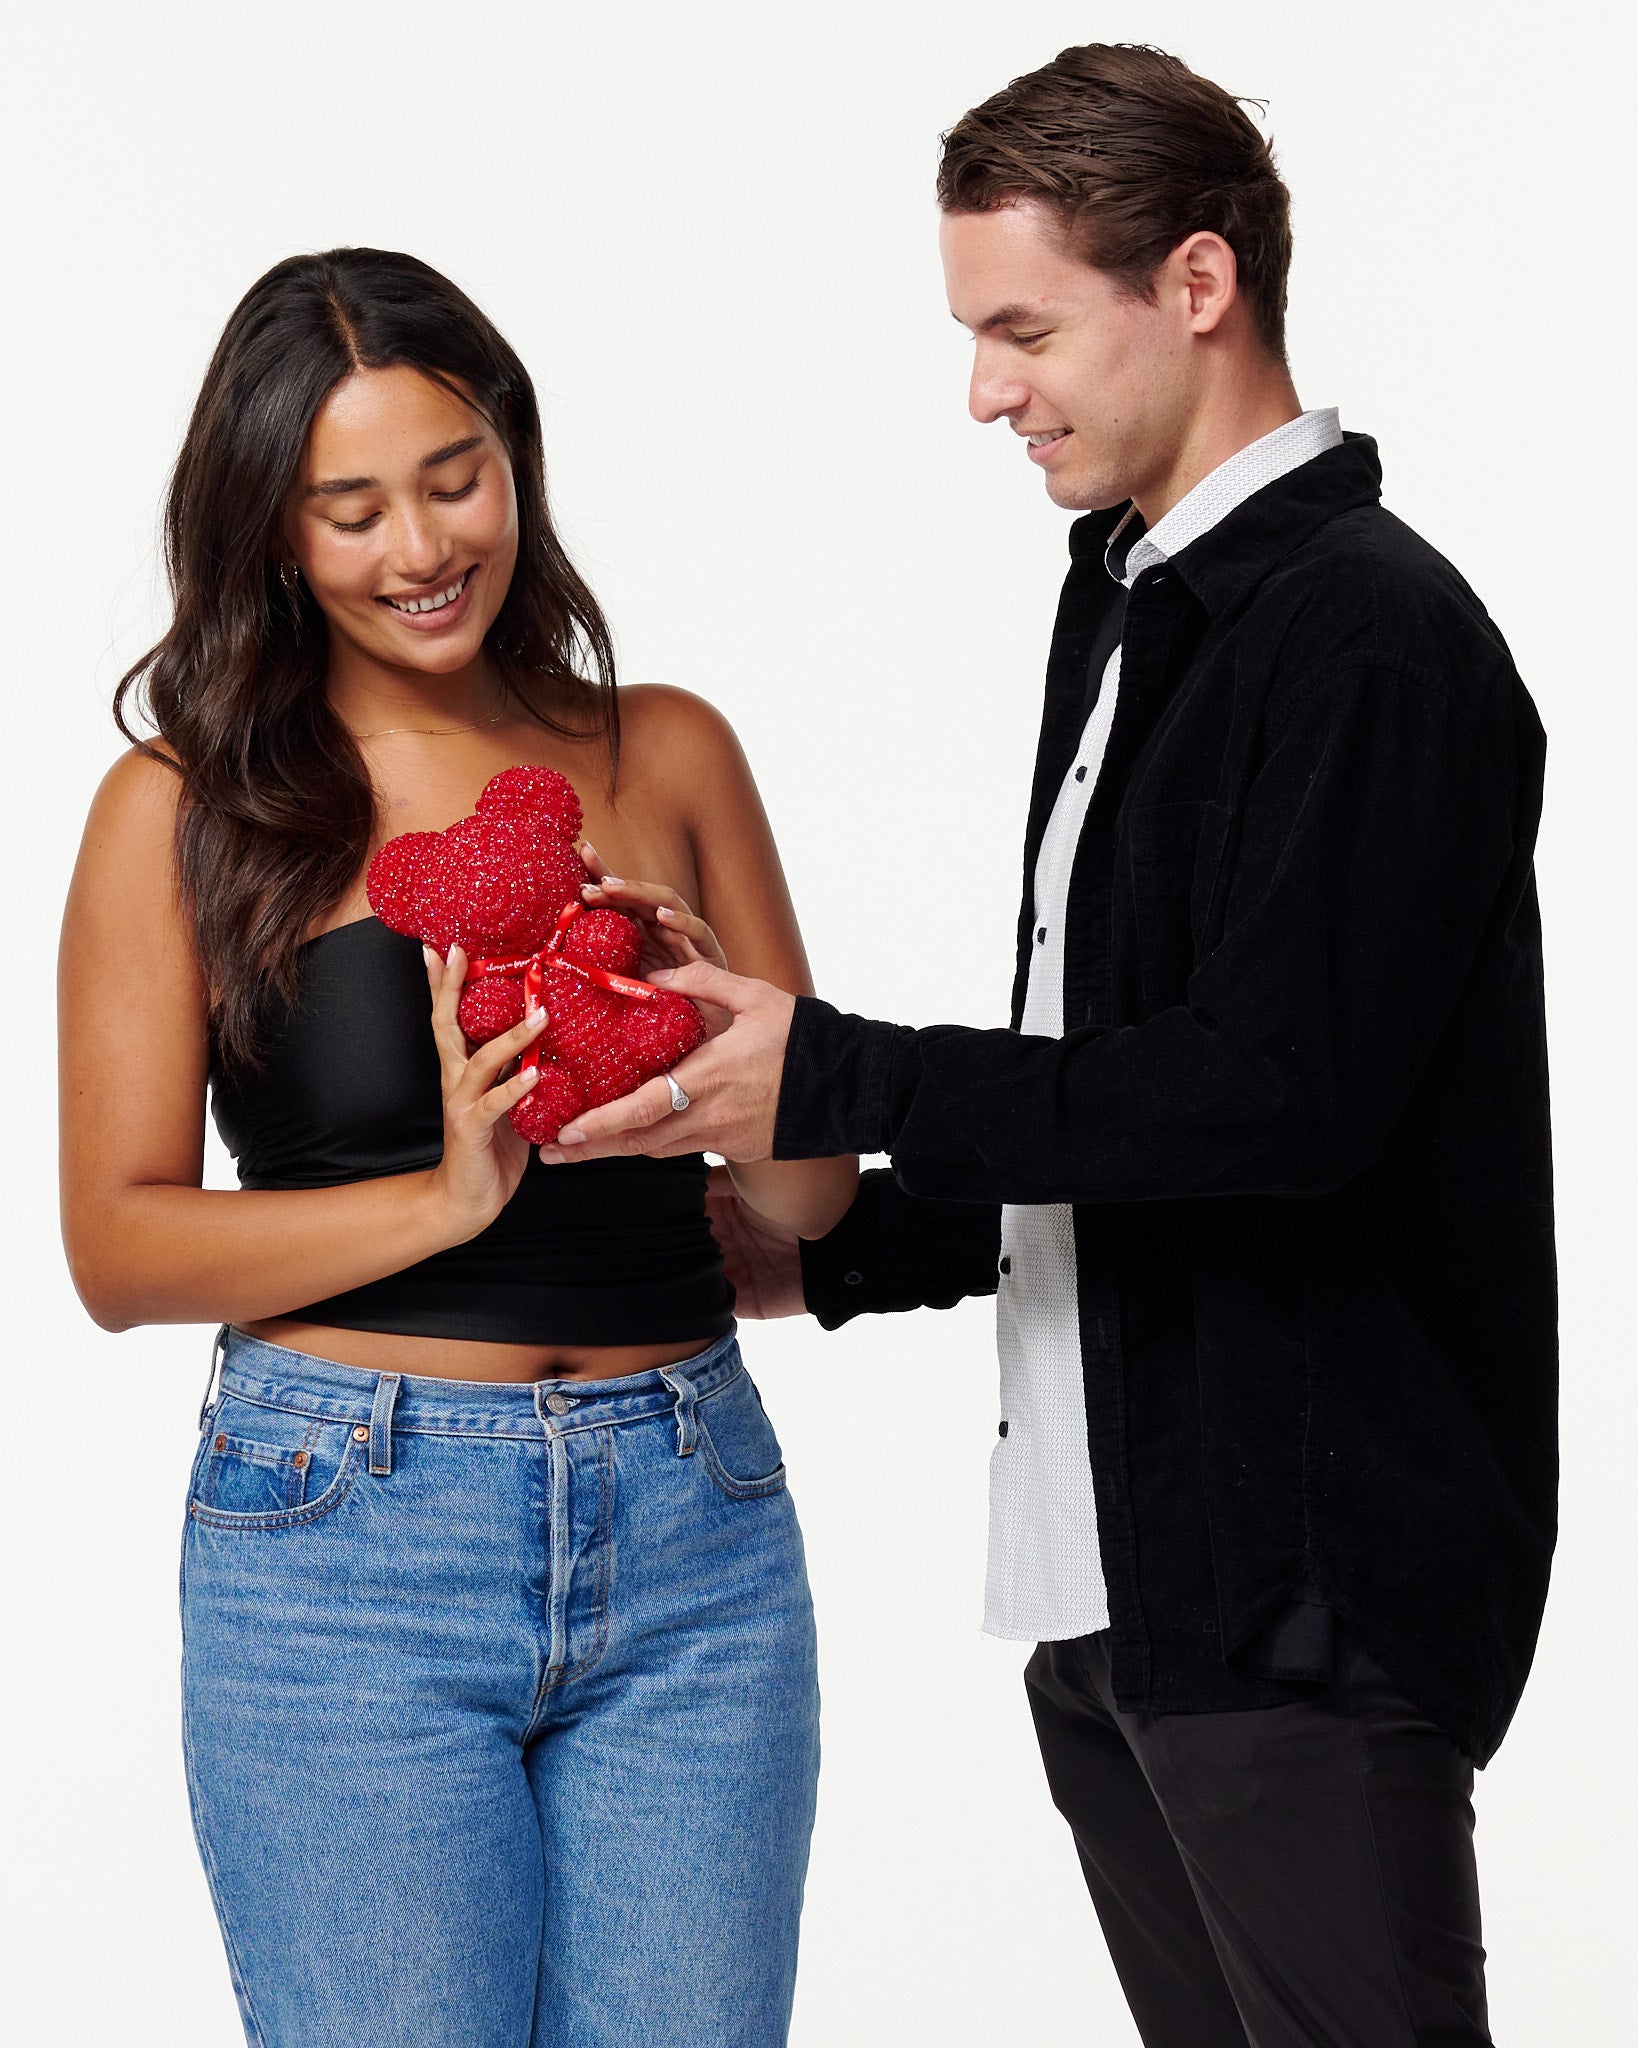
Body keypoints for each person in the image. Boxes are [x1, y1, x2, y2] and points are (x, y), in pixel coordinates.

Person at [543, 43, 1556, 2048]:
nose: (986, 389)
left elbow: (1279, 1099)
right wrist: (840, 1249)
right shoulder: (1125, 597)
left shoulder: (1364, 634)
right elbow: (1117, 1083)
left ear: (1197, 284)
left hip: (1294, 1598)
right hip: (1115, 1598)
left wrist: (829, 1071)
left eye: (1022, 327)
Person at [57, 246, 855, 2048]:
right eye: (351, 508)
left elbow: (806, 1205)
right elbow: (118, 1251)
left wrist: (748, 1047)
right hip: (349, 1536)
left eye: (454, 477)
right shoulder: (184, 805)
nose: (421, 546)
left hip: (696, 1524)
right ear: (272, 530)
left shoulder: (664, 749)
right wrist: (445, 1193)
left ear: (517, 462)